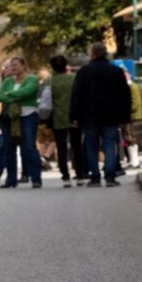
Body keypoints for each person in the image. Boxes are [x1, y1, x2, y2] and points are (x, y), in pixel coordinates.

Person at [70, 43, 130, 188]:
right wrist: (125, 117)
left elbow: (77, 94)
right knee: (110, 145)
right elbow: (124, 95)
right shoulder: (116, 71)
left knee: (91, 146)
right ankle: (110, 176)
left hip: (89, 116)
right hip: (111, 115)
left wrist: (74, 115)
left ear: (93, 54)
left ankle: (95, 177)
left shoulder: (84, 71)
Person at [0, 57, 42, 189]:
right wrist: (16, 95)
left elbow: (28, 91)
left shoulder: (32, 79)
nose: (13, 68)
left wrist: (9, 94)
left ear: (23, 65)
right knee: (9, 149)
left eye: (16, 65)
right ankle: (11, 180)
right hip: (9, 117)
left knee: (29, 148)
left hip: (28, 116)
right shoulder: (8, 81)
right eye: (11, 66)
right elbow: (0, 96)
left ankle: (36, 179)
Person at [48, 55, 86, 187]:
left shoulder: (51, 81)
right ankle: (80, 175)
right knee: (76, 147)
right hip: (74, 117)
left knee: (61, 147)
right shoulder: (74, 78)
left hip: (58, 117)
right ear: (66, 65)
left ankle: (65, 176)